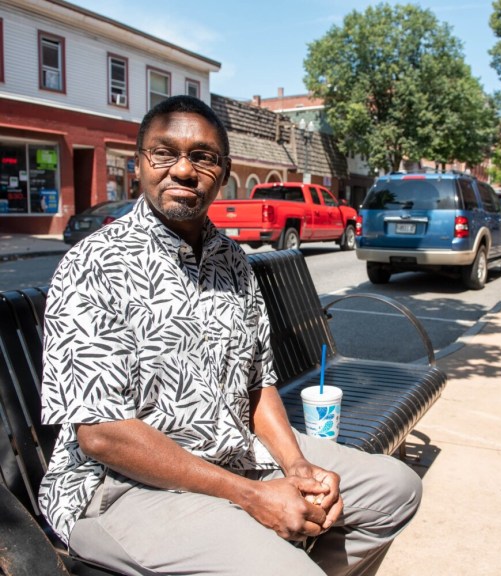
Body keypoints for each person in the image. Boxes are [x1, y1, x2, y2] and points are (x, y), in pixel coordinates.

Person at [39, 95, 421, 576]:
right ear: (138, 165)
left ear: (222, 172)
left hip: (236, 454)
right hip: (120, 490)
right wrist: (253, 496)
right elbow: (102, 435)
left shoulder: (233, 262)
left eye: (202, 156)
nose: (182, 170)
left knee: (395, 490)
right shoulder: (94, 265)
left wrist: (297, 466)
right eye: (164, 153)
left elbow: (258, 384)